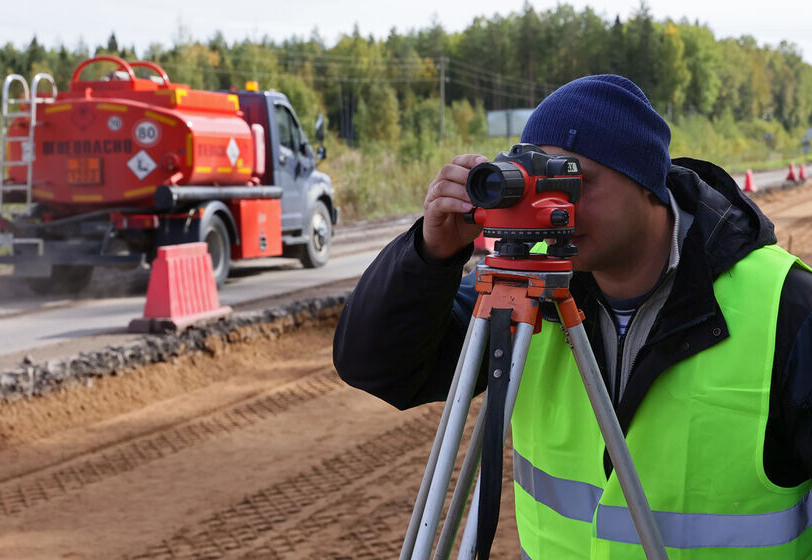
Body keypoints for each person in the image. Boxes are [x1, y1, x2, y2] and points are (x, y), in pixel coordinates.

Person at [333, 74, 812, 558]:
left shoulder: (787, 308)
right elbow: (378, 366)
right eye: (538, 185)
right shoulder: (529, 288)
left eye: (571, 181)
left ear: (645, 180)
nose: (553, 208)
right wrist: (429, 254)